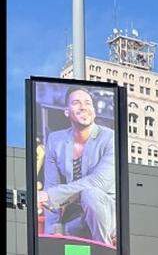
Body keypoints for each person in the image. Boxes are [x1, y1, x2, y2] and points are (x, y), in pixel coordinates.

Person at [38, 86, 116, 246]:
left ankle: (104, 249)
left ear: (94, 111)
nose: (83, 107)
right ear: (67, 112)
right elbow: (51, 186)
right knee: (58, 233)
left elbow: (99, 182)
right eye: (76, 103)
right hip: (76, 219)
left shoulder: (110, 138)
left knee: (90, 194)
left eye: (88, 103)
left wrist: (51, 195)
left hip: (106, 213)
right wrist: (51, 231)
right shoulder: (55, 140)